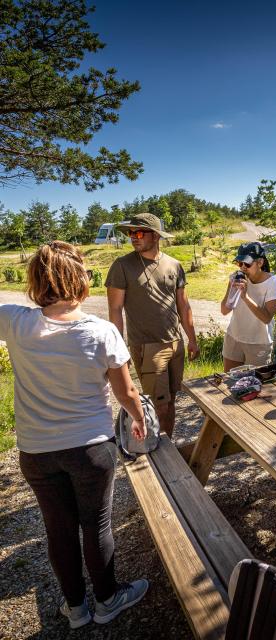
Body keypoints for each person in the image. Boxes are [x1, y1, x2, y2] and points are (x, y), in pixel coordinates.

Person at [0, 241, 148, 629]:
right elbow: (126, 392)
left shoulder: (13, 320)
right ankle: (107, 599)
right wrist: (138, 419)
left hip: (36, 450)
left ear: (36, 280)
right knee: (95, 525)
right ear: (82, 280)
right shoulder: (102, 331)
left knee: (58, 528)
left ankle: (76, 609)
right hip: (91, 449)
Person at [106, 213, 199, 437]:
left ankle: (168, 444)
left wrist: (192, 339)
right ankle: (157, 450)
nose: (133, 238)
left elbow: (184, 306)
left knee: (172, 399)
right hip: (147, 347)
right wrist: (119, 351)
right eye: (130, 233)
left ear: (155, 235)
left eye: (138, 232)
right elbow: (115, 310)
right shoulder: (122, 266)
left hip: (175, 343)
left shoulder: (174, 265)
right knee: (159, 405)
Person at [220, 241, 276, 372]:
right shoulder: (236, 278)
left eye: (247, 264)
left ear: (260, 262)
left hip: (259, 343)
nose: (243, 268)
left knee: (255, 385)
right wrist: (232, 289)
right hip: (234, 337)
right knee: (229, 382)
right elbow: (224, 311)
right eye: (239, 263)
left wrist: (245, 297)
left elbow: (266, 318)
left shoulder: (273, 283)